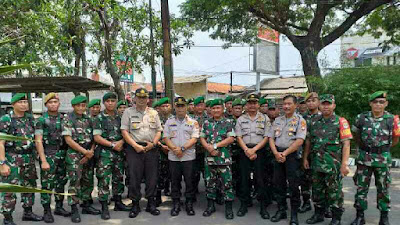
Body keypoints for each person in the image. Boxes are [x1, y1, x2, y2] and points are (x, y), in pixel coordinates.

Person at [350, 91, 400, 225]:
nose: (378, 104)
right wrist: (365, 148)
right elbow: (355, 135)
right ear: (370, 104)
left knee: (383, 189)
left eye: (381, 102)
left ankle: (384, 218)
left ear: (386, 104)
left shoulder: (392, 119)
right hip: (364, 158)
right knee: (361, 188)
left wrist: (382, 149)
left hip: (382, 159)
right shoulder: (361, 118)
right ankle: (360, 216)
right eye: (375, 102)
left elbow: (395, 138)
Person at [303, 94, 352, 225]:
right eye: (323, 104)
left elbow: (346, 144)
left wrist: (345, 164)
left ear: (334, 105)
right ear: (320, 105)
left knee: (334, 192)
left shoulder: (341, 121)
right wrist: (305, 158)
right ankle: (318, 214)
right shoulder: (313, 121)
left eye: (328, 104)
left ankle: (336, 218)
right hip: (316, 163)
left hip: (333, 164)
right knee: (317, 190)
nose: (326, 106)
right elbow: (308, 141)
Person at [0, 93, 43, 225]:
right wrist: (2, 163)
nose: (24, 104)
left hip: (28, 158)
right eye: (20, 102)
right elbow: (0, 142)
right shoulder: (6, 119)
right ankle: (7, 218)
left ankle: (28, 212)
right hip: (12, 158)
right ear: (13, 104)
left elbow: (37, 140)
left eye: (25, 102)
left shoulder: (30, 119)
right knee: (10, 190)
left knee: (29, 186)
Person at [121, 88, 163, 218]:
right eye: (139, 97)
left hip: (151, 148)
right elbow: (124, 131)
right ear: (134, 99)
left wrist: (154, 144)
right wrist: (134, 145)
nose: (141, 100)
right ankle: (135, 204)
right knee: (134, 178)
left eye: (144, 98)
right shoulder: (128, 112)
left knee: (152, 177)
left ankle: (151, 203)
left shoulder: (154, 113)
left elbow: (158, 130)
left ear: (148, 99)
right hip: (134, 149)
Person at [268, 95, 306, 225]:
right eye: (284, 104)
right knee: (278, 184)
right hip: (277, 154)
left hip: (291, 156)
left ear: (295, 105)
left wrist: (284, 154)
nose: (286, 106)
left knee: (294, 186)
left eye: (289, 104)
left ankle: (294, 215)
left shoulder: (300, 121)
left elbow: (300, 140)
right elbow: (271, 138)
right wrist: (276, 153)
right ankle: (281, 210)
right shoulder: (277, 120)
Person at [93, 92, 130, 220]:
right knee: (103, 180)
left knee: (118, 178)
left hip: (119, 153)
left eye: (113, 101)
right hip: (105, 154)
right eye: (107, 101)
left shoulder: (121, 117)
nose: (110, 103)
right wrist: (112, 145)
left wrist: (121, 142)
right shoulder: (99, 118)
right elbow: (97, 137)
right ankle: (104, 207)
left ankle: (118, 202)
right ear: (104, 103)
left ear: (116, 102)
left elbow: (126, 133)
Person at [62, 95, 99, 223]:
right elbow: (68, 140)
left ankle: (86, 205)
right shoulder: (68, 119)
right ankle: (74, 208)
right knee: (75, 182)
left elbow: (95, 137)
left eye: (83, 105)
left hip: (89, 153)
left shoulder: (89, 119)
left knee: (88, 180)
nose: (81, 108)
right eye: (78, 105)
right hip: (75, 155)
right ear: (73, 106)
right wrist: (85, 152)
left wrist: (91, 152)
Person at [35, 93, 71, 223]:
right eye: (50, 102)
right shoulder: (41, 120)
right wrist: (43, 160)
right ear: (46, 105)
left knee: (61, 182)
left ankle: (59, 206)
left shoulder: (64, 118)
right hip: (48, 154)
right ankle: (47, 211)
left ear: (59, 103)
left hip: (63, 154)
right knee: (47, 184)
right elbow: (38, 141)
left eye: (55, 102)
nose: (53, 104)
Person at [235, 94, 271, 219]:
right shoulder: (240, 119)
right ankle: (244, 204)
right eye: (250, 103)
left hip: (259, 151)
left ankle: (263, 207)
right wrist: (246, 150)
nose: (252, 105)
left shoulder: (265, 118)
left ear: (258, 105)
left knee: (260, 179)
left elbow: (266, 137)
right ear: (246, 105)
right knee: (244, 179)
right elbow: (238, 137)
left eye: (254, 103)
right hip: (244, 151)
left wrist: (254, 150)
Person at [200, 99, 236, 220]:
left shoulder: (228, 122)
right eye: (213, 108)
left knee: (227, 184)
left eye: (218, 108)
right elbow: (202, 138)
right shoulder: (206, 123)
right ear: (210, 110)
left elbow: (231, 138)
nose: (215, 110)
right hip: (210, 159)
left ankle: (229, 209)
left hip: (223, 159)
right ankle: (210, 206)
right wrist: (209, 149)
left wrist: (215, 146)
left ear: (222, 109)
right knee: (210, 183)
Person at [163, 97, 199, 216]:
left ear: (186, 107)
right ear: (175, 107)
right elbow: (166, 138)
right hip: (174, 157)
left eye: (182, 106)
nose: (180, 108)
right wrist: (174, 149)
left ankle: (189, 203)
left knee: (189, 181)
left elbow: (194, 138)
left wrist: (182, 149)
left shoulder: (193, 122)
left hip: (188, 157)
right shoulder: (169, 122)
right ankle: (176, 203)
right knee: (175, 181)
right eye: (178, 106)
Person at [299, 92, 321, 214]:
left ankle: (324, 206)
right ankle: (306, 202)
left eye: (314, 100)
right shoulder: (302, 118)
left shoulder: (324, 116)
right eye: (309, 101)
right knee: (304, 180)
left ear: (318, 102)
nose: (311, 103)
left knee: (322, 181)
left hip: (321, 155)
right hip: (304, 154)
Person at [156, 97, 173, 205]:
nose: (166, 108)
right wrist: (161, 146)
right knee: (158, 175)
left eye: (167, 106)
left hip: (173, 151)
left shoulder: (175, 119)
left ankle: (171, 193)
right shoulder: (155, 119)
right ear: (159, 108)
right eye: (163, 106)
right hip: (159, 151)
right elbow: (151, 135)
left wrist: (171, 147)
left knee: (172, 174)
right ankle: (157, 197)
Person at [192, 96, 208, 197]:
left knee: (207, 173)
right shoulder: (190, 119)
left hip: (206, 150)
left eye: (201, 105)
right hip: (194, 150)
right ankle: (193, 192)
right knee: (194, 173)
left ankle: (210, 192)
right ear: (194, 107)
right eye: (197, 105)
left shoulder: (209, 118)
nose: (199, 107)